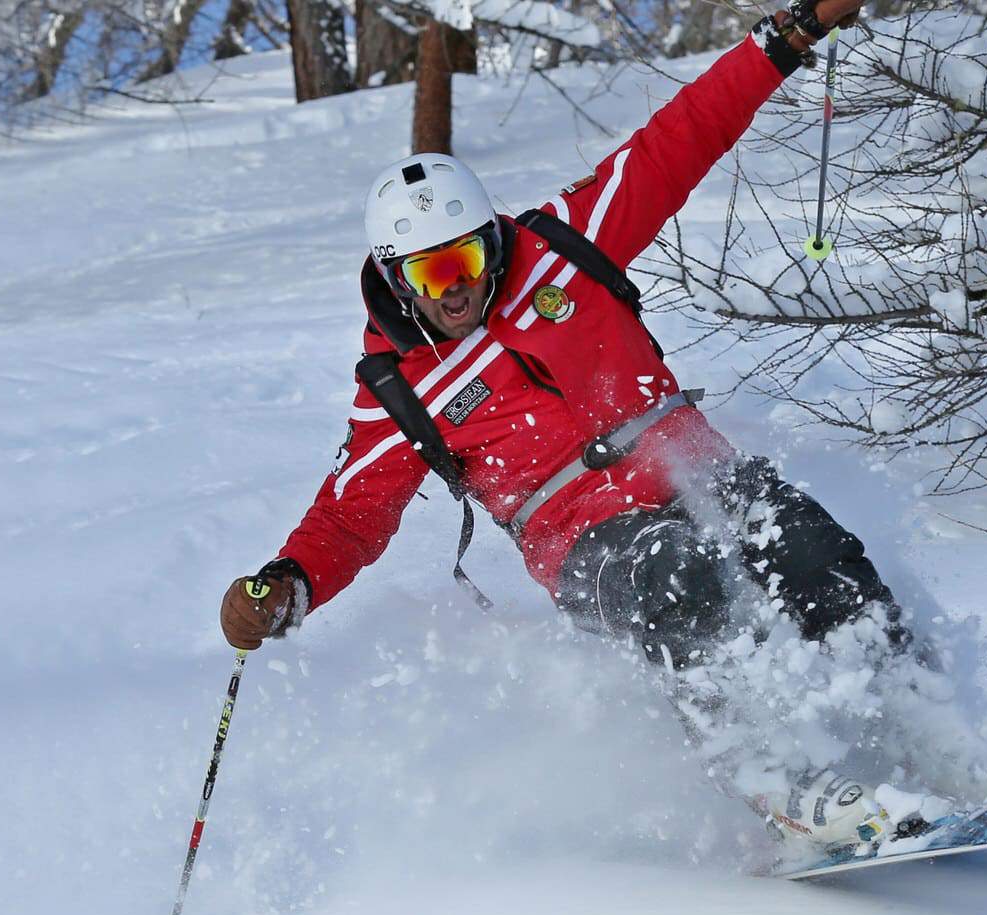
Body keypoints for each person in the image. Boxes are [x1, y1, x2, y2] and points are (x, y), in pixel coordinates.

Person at [220, 0, 919, 853]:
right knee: (683, 579)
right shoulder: (400, 390)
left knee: (810, 548)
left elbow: (679, 138)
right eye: (433, 272)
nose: (456, 288)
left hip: (696, 473)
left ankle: (925, 728)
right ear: (397, 279)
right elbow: (348, 515)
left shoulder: (564, 246)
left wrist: (792, 32)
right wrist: (286, 582)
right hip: (590, 548)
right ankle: (781, 779)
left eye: (468, 258)